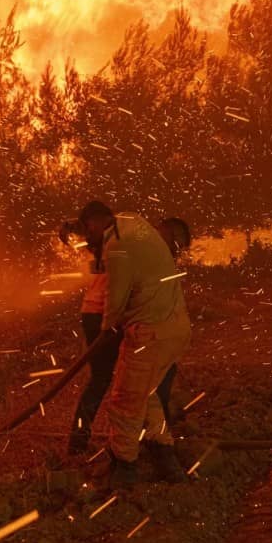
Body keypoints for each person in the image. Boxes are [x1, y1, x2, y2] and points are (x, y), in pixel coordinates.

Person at [77, 200, 191, 487]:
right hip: (176, 330)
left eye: (86, 230)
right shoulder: (135, 223)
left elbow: (115, 302)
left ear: (94, 222)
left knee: (124, 400)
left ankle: (125, 467)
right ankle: (166, 456)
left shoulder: (117, 248)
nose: (86, 238)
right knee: (148, 393)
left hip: (148, 334)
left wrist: (106, 329)